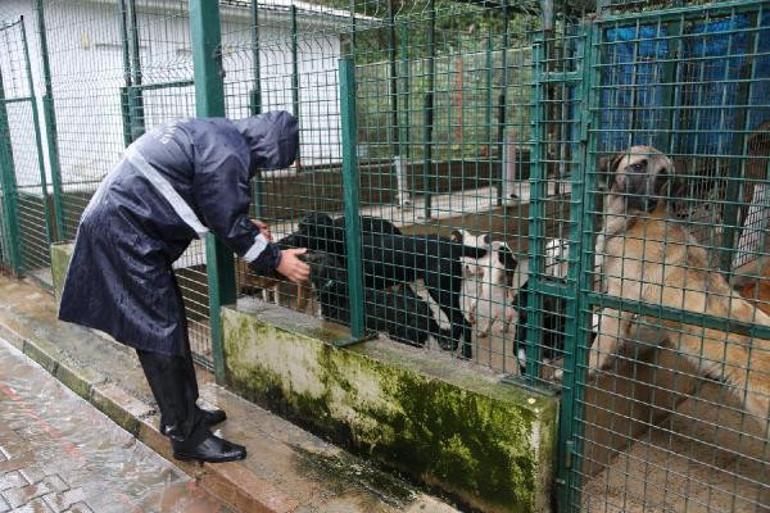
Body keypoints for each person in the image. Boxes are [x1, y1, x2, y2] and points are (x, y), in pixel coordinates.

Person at [58, 111, 310, 463]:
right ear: (271, 149)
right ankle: (186, 436)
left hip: (125, 226)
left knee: (168, 324)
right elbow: (226, 219)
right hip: (125, 234)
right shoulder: (229, 154)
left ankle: (184, 414)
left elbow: (207, 199)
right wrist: (277, 260)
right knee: (158, 332)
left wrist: (242, 226)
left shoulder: (219, 134)